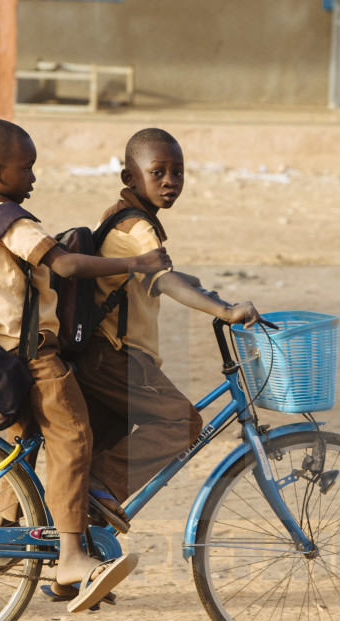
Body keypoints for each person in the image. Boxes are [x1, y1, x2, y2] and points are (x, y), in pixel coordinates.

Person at [0, 118, 171, 611]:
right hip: (35, 357)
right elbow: (67, 265)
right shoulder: (9, 220)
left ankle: (12, 534)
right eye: (25, 169)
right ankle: (72, 555)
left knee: (24, 444)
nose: (33, 179)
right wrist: (139, 265)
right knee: (74, 438)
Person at [74, 127, 263, 525]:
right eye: (157, 172)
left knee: (108, 450)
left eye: (178, 172)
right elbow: (164, 280)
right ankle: (98, 486)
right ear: (130, 178)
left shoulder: (119, 216)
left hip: (97, 355)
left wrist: (202, 289)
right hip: (116, 356)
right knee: (182, 422)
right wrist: (225, 312)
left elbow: (160, 272)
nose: (170, 181)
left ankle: (72, 578)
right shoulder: (138, 227)